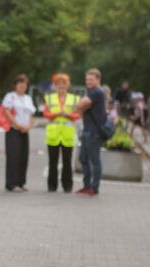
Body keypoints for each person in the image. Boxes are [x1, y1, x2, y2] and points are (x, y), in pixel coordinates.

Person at [42, 73, 79, 193]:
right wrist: (55, 114)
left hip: (67, 135)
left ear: (67, 85)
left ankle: (67, 185)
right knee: (53, 162)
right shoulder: (50, 98)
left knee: (67, 162)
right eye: (59, 84)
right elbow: (45, 113)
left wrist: (69, 115)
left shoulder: (74, 99)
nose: (61, 86)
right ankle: (52, 185)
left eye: (64, 83)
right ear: (55, 85)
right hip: (53, 135)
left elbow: (78, 114)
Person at [74, 68, 106, 196]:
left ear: (98, 80)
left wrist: (81, 106)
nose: (88, 82)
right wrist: (81, 106)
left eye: (91, 79)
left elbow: (79, 106)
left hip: (93, 133)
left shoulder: (97, 92)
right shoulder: (92, 92)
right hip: (87, 131)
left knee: (95, 161)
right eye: (87, 79)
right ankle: (87, 186)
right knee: (83, 158)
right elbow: (81, 107)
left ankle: (94, 188)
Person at [1, 74, 36, 192]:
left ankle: (21, 182)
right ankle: (12, 183)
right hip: (14, 130)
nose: (22, 86)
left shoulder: (28, 98)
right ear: (15, 85)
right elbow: (7, 112)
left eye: (25, 84)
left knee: (23, 156)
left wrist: (29, 126)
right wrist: (18, 125)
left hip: (25, 130)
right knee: (13, 156)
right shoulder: (10, 96)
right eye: (20, 83)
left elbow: (31, 114)